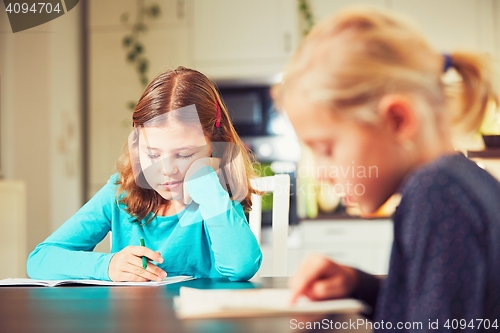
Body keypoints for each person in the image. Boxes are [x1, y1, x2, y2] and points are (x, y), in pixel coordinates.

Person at [273, 6, 500, 331]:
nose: (321, 173)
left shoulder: (436, 193)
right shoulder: (456, 183)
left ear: (397, 120)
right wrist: (358, 285)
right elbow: (438, 313)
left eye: (326, 149)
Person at [27, 67, 262, 282]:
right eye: (153, 154)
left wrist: (208, 185)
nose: (167, 170)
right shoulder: (120, 192)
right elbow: (40, 260)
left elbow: (241, 266)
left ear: (214, 146)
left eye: (184, 154)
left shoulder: (217, 195)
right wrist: (108, 265)